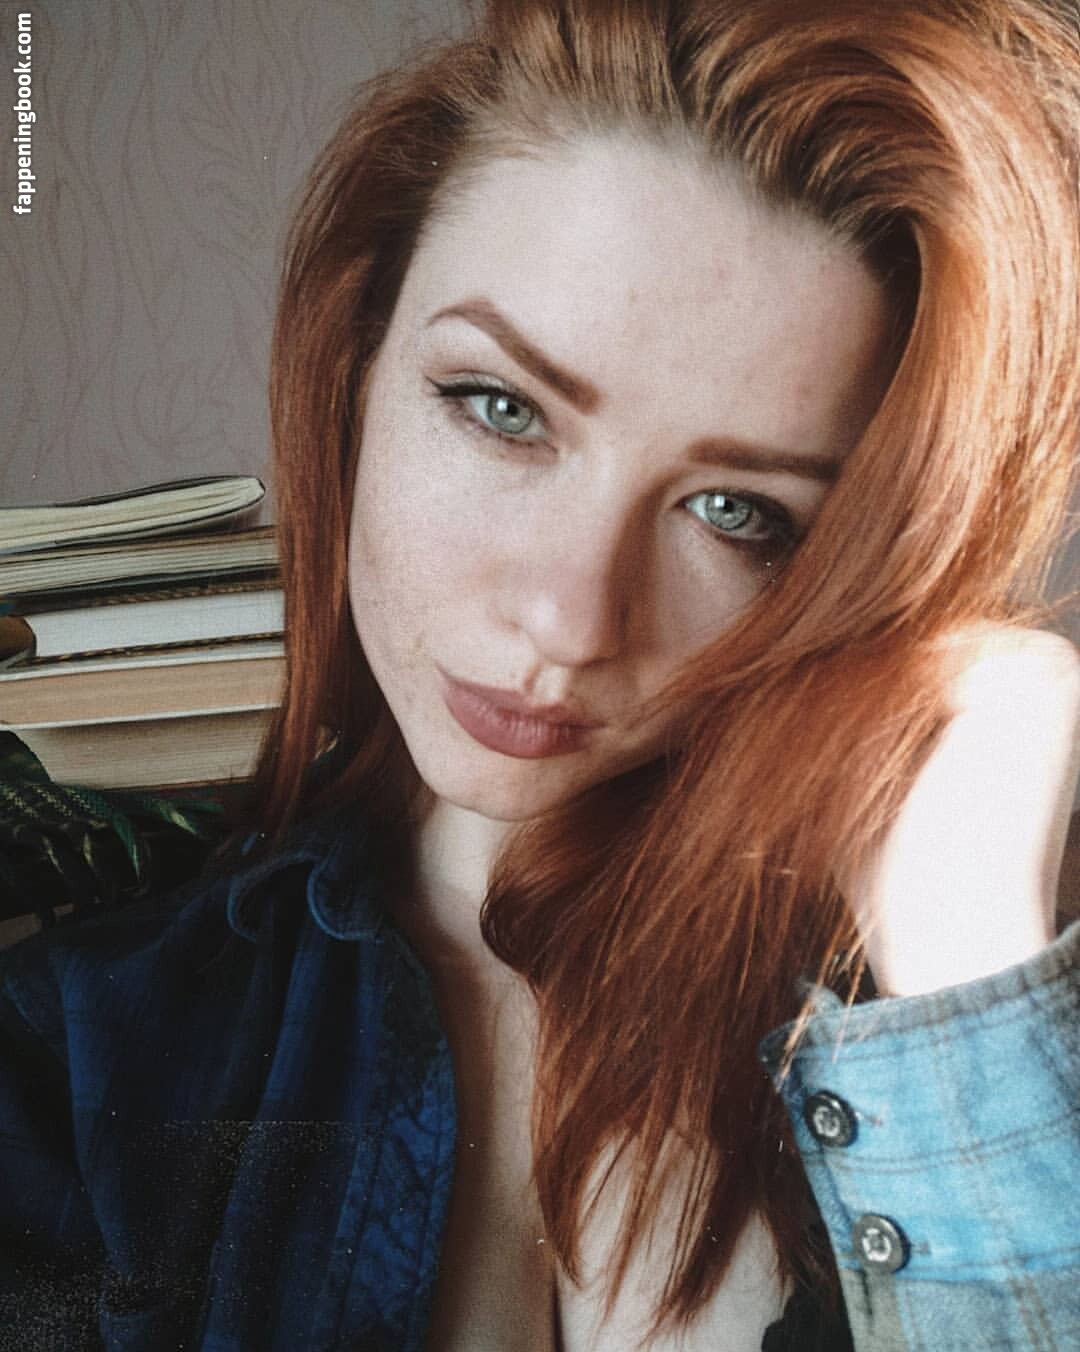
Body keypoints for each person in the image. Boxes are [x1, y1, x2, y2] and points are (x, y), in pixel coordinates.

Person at [1, 0, 1078, 1347]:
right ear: (357, 362)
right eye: (502, 408)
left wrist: (966, 972)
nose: (571, 623)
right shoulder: (79, 1055)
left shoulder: (979, 1038)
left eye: (738, 512)